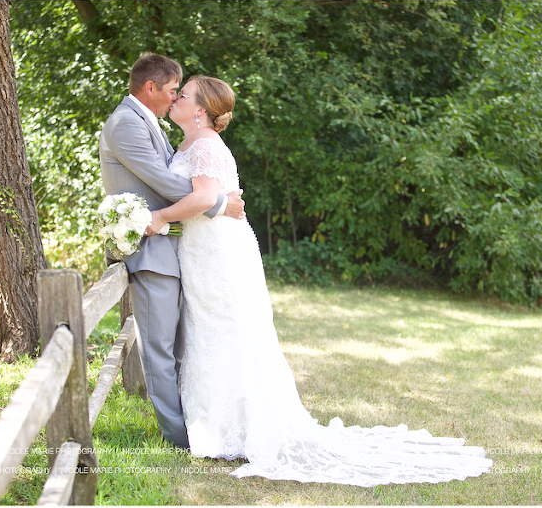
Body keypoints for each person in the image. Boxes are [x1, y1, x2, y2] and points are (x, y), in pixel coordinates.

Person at [146, 75, 493, 486]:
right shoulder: (187, 143)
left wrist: (159, 218)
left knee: (230, 330)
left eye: (183, 95)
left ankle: (238, 429)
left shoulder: (204, 145)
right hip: (202, 250)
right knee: (211, 330)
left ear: (200, 109)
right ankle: (216, 426)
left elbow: (205, 198)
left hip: (219, 251)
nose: (176, 99)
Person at [99, 54, 245, 449]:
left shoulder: (155, 125)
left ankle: (201, 426)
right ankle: (180, 438)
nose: (174, 97)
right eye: (170, 91)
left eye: (181, 93)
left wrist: (205, 201)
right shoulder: (127, 123)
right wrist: (216, 203)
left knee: (182, 346)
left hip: (178, 248)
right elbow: (164, 179)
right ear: (151, 89)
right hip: (154, 250)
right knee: (162, 349)